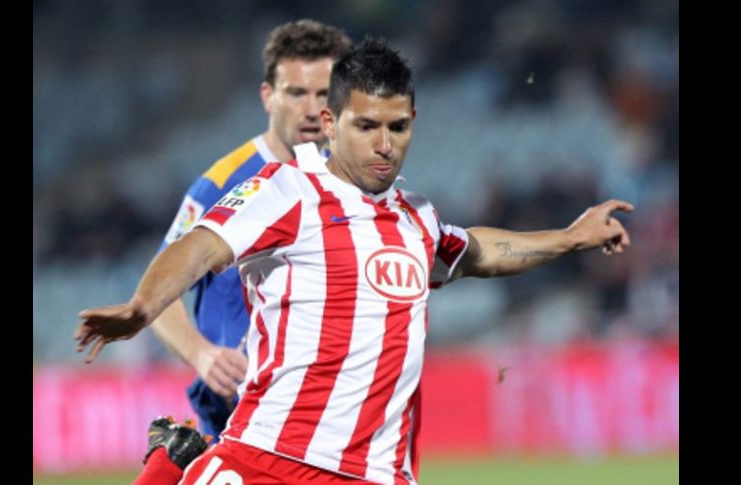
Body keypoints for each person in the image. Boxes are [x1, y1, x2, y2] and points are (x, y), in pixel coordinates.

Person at [75, 38, 633, 485]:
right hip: (270, 457)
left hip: (376, 474)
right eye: (366, 126)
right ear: (332, 119)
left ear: (414, 119)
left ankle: (172, 462)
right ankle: (166, 466)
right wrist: (142, 307)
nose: (384, 144)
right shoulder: (285, 190)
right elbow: (199, 246)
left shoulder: (416, 219)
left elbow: (480, 252)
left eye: (398, 126)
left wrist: (569, 237)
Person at [77, 19, 352, 445]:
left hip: (322, 417)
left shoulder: (350, 181)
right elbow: (164, 287)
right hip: (239, 419)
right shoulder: (222, 182)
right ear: (268, 96)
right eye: (296, 93)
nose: (311, 108)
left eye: (323, 94)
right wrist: (201, 354)